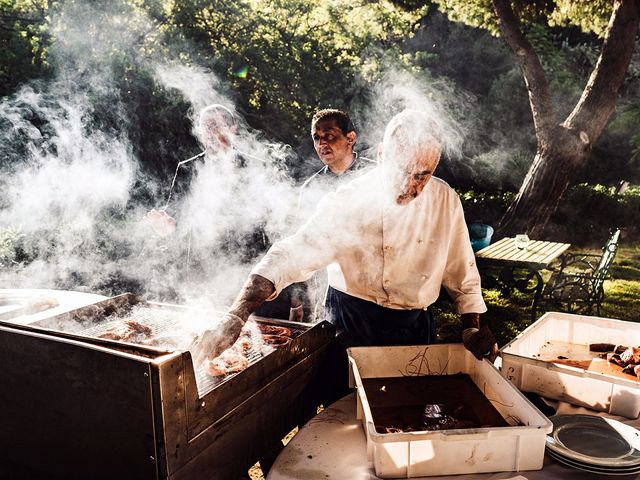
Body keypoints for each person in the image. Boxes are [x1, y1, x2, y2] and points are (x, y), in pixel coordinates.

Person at [191, 109, 498, 363]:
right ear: (380, 156)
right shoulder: (348, 200)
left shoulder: (445, 200)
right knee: (342, 417)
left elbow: (463, 273)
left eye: (422, 175)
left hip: (414, 329)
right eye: (401, 171)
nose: (409, 186)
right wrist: (236, 315)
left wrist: (471, 328)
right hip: (351, 324)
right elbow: (292, 254)